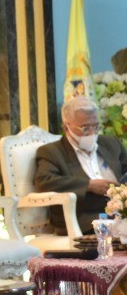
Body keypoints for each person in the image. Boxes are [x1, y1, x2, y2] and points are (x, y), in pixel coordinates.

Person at [34, 96, 127, 235]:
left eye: (96, 126)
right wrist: (88, 185)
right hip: (81, 218)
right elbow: (44, 182)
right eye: (85, 128)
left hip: (120, 214)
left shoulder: (111, 143)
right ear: (66, 128)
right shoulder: (52, 152)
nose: (92, 133)